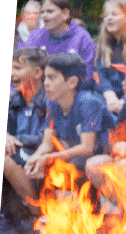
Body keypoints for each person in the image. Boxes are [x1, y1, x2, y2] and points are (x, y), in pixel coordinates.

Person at [26, 52, 110, 181]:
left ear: (72, 82)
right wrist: (34, 159)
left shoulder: (88, 103)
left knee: (91, 165)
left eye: (51, 77)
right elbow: (47, 144)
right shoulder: (52, 103)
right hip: (82, 158)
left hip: (109, 158)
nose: (45, 83)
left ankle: (110, 200)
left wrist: (47, 158)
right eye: (45, 78)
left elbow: (87, 148)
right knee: (50, 160)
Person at [1, 47, 50, 234]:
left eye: (18, 68)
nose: (12, 73)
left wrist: (17, 139)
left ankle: (40, 216)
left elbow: (46, 137)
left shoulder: (49, 99)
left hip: (43, 154)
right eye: (10, 68)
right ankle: (13, 221)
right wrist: (4, 135)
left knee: (5, 159)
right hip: (21, 152)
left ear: (37, 73)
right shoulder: (14, 100)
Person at [23, 0, 96, 75]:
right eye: (42, 12)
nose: (44, 15)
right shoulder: (35, 37)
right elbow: (24, 69)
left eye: (50, 11)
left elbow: (87, 75)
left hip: (74, 86)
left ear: (65, 14)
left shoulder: (82, 38)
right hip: (42, 87)